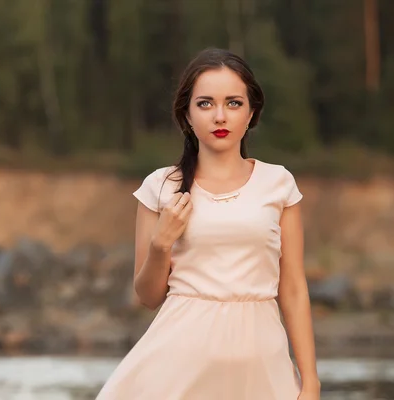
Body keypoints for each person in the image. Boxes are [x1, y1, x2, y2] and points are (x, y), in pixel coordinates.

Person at [95, 48, 320, 400]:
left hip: (262, 370)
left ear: (251, 113)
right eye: (205, 104)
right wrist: (161, 244)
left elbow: (292, 289)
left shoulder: (279, 184)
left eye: (233, 103)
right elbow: (148, 297)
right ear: (186, 114)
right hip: (177, 367)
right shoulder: (161, 187)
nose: (220, 116)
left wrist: (311, 380)